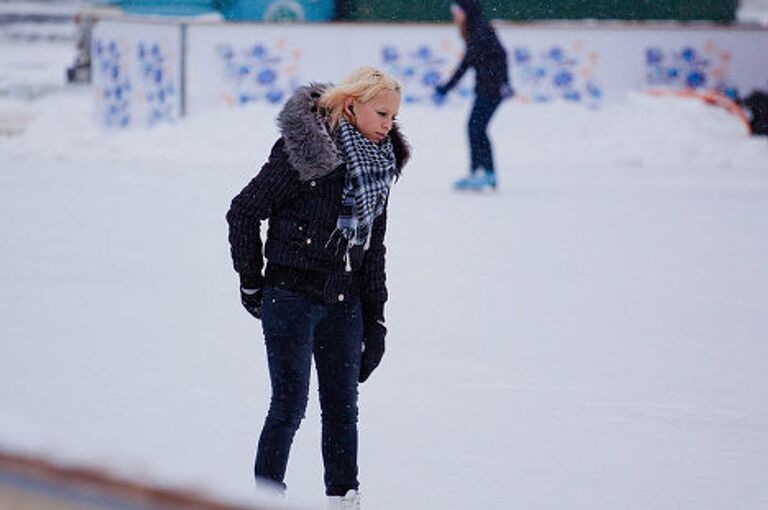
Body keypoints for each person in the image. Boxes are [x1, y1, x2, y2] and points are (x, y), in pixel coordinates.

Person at [226, 67, 410, 509]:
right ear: (351, 106)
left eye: (394, 116)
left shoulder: (380, 167)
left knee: (343, 407)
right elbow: (244, 212)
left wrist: (376, 318)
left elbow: (372, 247)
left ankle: (343, 499)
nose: (389, 124)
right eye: (381, 113)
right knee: (289, 404)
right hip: (290, 294)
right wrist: (252, 283)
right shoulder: (305, 154)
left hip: (344, 300)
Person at [435, 0, 512, 191]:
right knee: (475, 128)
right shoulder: (477, 29)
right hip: (489, 88)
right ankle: (480, 172)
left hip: (491, 89)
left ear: (466, 12)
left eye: (457, 10)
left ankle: (485, 172)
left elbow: (467, 63)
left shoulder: (480, 32)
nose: (454, 14)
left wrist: (446, 87)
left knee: (476, 128)